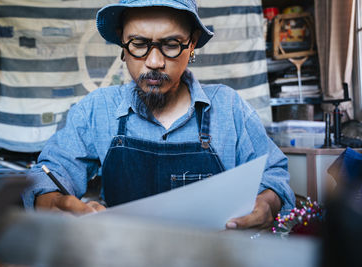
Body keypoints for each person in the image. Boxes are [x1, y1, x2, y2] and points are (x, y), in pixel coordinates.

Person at [22, 0, 295, 230]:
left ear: (192, 44)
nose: (154, 62)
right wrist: (54, 202)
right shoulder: (96, 110)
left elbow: (273, 175)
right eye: (138, 44)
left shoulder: (229, 108)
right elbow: (48, 175)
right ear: (121, 43)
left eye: (172, 44)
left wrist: (267, 204)